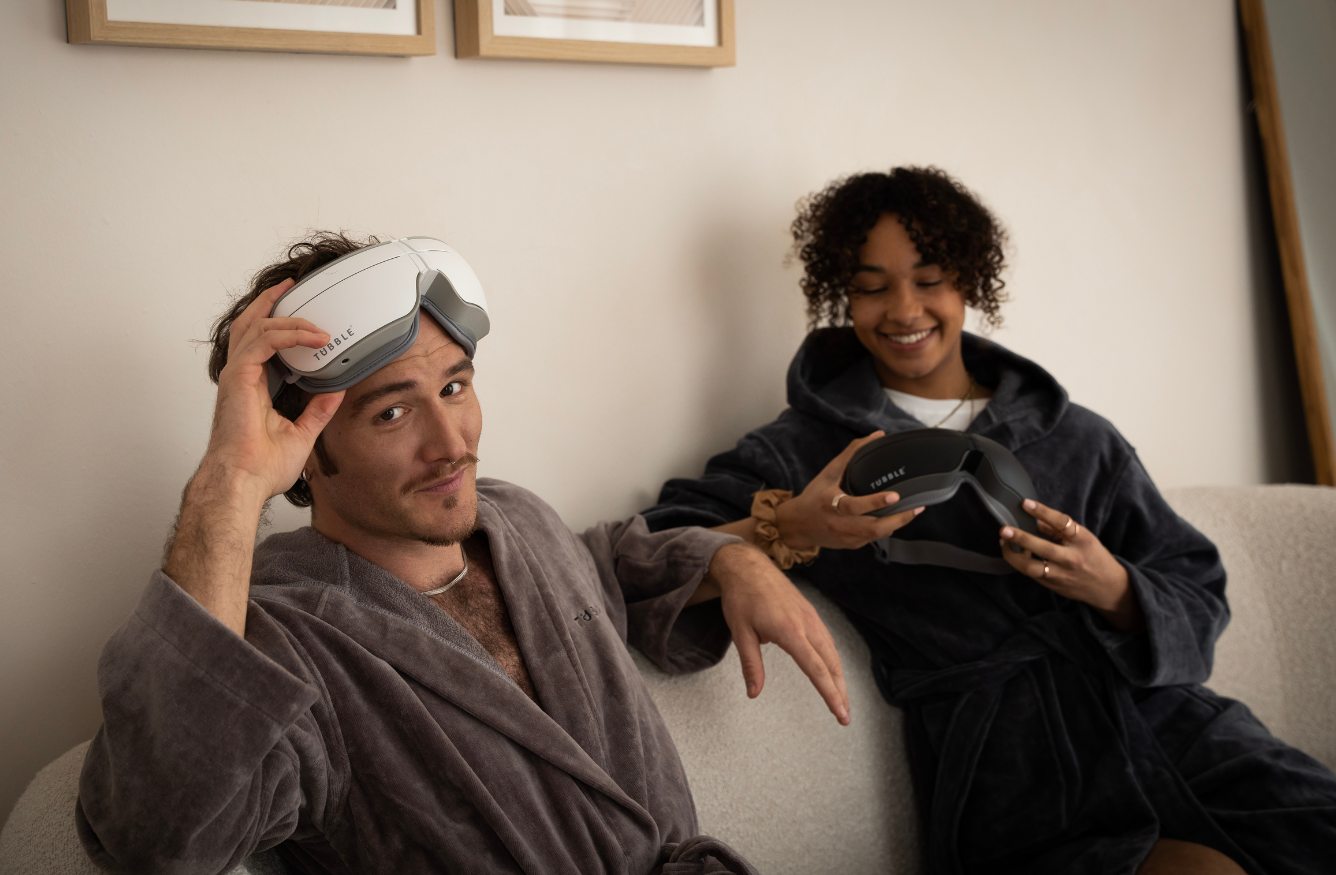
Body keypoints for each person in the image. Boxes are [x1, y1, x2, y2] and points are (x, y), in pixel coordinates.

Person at [76, 233, 851, 875]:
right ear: (302, 450)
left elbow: (611, 562)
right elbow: (156, 838)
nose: (452, 445)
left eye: (454, 388)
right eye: (392, 412)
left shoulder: (518, 521)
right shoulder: (283, 643)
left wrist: (735, 555)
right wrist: (231, 479)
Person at [642, 167, 1336, 875]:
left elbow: (1197, 588)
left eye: (930, 277)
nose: (904, 309)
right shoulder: (805, 450)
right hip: (1018, 775)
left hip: (1177, 731)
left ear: (970, 279)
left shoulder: (1076, 436)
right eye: (872, 286)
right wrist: (785, 527)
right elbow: (648, 552)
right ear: (841, 294)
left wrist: (1116, 587)